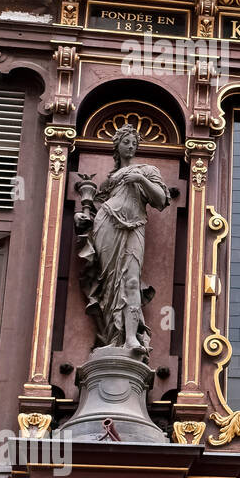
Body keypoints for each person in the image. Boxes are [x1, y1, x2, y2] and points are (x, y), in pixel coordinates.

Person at [75, 124, 171, 359]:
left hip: (135, 226)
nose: (131, 146)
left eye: (134, 143)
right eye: (126, 142)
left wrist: (140, 179)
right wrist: (83, 216)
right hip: (106, 224)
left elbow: (161, 200)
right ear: (117, 146)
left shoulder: (147, 170)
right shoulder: (110, 180)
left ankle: (129, 338)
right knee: (109, 283)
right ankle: (111, 338)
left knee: (130, 281)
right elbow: (96, 207)